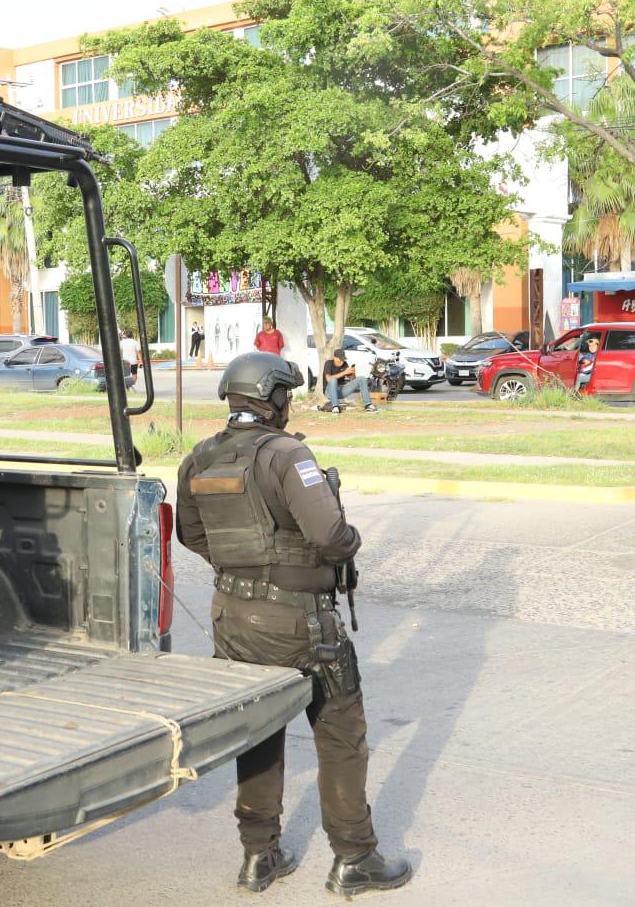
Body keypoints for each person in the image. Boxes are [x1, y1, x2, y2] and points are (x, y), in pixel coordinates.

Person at [176, 352, 412, 897]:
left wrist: (243, 570)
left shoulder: (199, 459)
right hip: (301, 622)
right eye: (286, 395)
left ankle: (259, 856)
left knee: (258, 733)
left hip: (231, 619)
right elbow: (330, 535)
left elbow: (191, 537)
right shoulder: (287, 454)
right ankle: (355, 857)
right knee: (341, 734)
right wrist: (346, 543)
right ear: (274, 396)